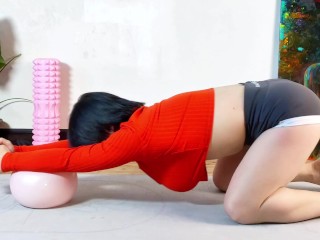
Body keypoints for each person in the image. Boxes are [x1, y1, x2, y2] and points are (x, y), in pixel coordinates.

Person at [1, 78, 320, 224]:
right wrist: (20, 150)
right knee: (224, 181)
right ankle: (307, 170)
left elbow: (79, 156)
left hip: (288, 114)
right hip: (271, 106)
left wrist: (7, 162)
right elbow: (75, 148)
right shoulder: (146, 119)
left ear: (108, 129)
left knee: (242, 208)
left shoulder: (135, 134)